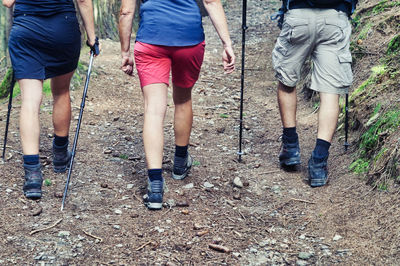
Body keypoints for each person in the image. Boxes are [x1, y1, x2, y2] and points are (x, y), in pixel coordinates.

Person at [119, 0, 235, 209]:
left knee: (154, 110)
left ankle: (155, 186)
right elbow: (210, 1)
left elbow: (126, 11)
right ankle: (180, 163)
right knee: (183, 99)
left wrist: (125, 52)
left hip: (151, 39)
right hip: (189, 39)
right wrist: (227, 43)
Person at [3, 0, 100, 199]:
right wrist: (92, 38)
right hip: (62, 30)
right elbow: (83, 1)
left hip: (26, 30)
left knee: (30, 100)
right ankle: (60, 155)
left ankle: (32, 175)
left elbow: (7, 2)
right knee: (61, 92)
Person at [272, 0, 357, 187]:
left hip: (298, 16)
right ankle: (318, 162)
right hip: (335, 18)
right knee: (330, 92)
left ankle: (290, 148)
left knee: (287, 81)